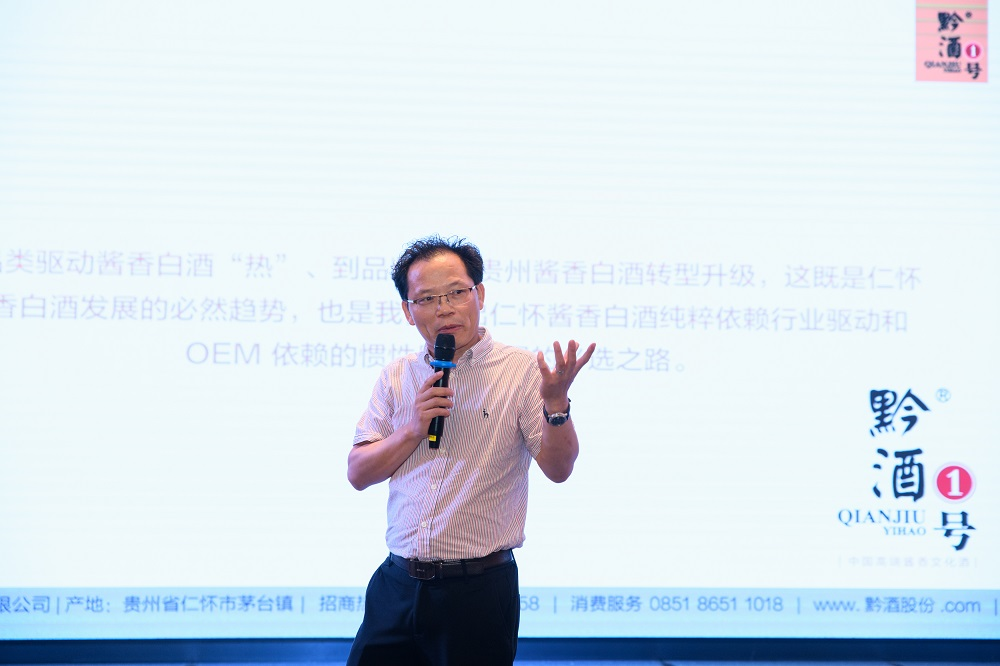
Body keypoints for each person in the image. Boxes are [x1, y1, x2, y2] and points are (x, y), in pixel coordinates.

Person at [346, 235, 595, 666]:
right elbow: (358, 473)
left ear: (479, 294)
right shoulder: (396, 375)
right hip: (397, 585)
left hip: (477, 591)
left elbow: (559, 469)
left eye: (456, 293)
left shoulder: (520, 371)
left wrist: (556, 405)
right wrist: (412, 430)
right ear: (407, 310)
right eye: (427, 298)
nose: (443, 308)